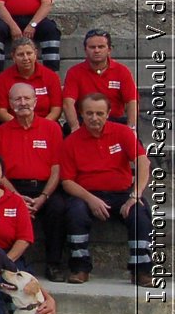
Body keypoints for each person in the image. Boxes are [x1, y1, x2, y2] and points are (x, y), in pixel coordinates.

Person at [59, 92, 153, 286]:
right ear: (81, 114)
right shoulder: (71, 142)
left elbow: (143, 162)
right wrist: (90, 199)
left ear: (109, 113)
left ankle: (141, 270)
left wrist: (134, 196)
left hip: (122, 194)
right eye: (89, 113)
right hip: (86, 195)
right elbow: (67, 181)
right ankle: (80, 267)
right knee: (74, 211)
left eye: (100, 113)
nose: (94, 118)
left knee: (141, 212)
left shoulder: (123, 132)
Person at [0, 82, 68, 281]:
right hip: (13, 188)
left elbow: (57, 168)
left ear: (36, 101)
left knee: (58, 208)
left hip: (45, 188)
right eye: (17, 99)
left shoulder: (52, 128)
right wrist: (17, 197)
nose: (22, 102)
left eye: (27, 98)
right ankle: (13, 262)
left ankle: (54, 264)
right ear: (9, 103)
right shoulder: (1, 132)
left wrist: (43, 197)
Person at [63, 29, 138, 129]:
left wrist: (131, 128)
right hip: (84, 124)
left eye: (101, 47)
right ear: (85, 50)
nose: (97, 50)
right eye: (92, 47)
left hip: (114, 122)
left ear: (109, 50)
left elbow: (132, 101)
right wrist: (75, 127)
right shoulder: (74, 72)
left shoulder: (122, 71)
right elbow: (68, 103)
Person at [0, 37, 63, 124]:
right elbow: (1, 111)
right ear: (13, 57)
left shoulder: (51, 76)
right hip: (14, 125)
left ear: (36, 54)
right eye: (20, 54)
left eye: (29, 53)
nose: (25, 58)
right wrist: (23, 125)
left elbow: (56, 109)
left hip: (46, 124)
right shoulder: (3, 78)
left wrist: (42, 126)